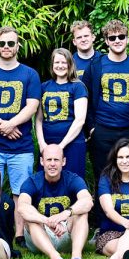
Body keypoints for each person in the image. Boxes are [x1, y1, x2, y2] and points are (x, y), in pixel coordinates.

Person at [0, 26, 41, 248]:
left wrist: (11, 124)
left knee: (21, 192)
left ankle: (19, 235)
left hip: (21, 146)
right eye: (2, 43)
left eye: (11, 43)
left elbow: (32, 106)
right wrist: (2, 126)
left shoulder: (30, 74)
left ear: (17, 46)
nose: (6, 47)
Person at [82, 19, 129, 183]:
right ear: (106, 41)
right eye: (112, 38)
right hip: (102, 129)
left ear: (127, 39)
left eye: (121, 36)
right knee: (102, 176)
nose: (117, 40)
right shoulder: (96, 66)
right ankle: (101, 202)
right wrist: (91, 127)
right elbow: (85, 98)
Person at [18, 145, 93, 259]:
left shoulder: (72, 179)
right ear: (42, 161)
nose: (52, 164)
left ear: (63, 161)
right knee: (30, 219)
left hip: (65, 232)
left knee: (82, 213)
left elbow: (87, 201)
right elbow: (22, 207)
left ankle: (76, 258)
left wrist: (65, 214)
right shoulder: (32, 181)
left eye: (56, 160)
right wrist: (47, 221)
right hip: (40, 237)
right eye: (49, 159)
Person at [36, 48, 88, 178]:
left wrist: (61, 146)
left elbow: (80, 119)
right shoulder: (44, 87)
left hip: (72, 143)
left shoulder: (78, 87)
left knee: (72, 181)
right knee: (46, 180)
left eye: (64, 62)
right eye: (57, 62)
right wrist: (42, 143)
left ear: (70, 64)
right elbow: (39, 119)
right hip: (48, 142)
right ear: (52, 65)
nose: (60, 66)